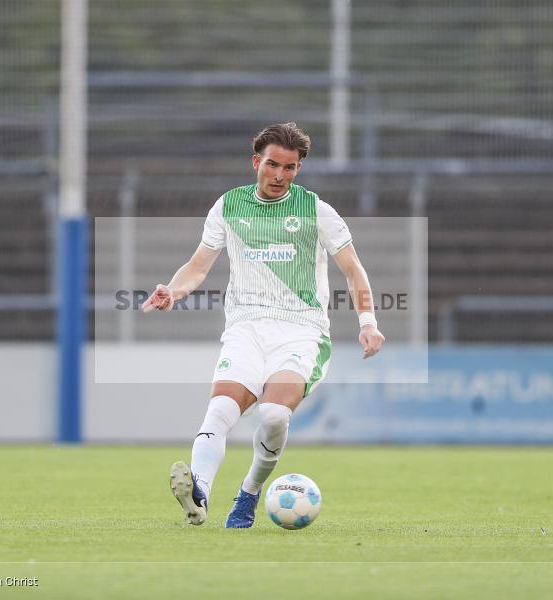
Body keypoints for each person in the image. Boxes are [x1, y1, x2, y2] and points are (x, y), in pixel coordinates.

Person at [142, 122, 385, 528]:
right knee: (219, 410)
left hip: (302, 332)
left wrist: (368, 321)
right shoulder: (228, 206)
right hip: (245, 329)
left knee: (273, 416)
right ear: (256, 161)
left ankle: (249, 493)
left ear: (298, 169)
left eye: (290, 168)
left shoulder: (316, 211)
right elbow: (199, 266)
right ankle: (198, 493)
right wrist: (174, 290)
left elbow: (353, 270)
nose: (279, 176)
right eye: (272, 164)